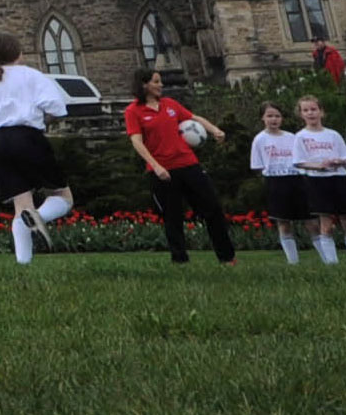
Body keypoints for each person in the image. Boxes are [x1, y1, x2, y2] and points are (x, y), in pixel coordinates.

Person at [120, 68, 233, 266]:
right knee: (173, 217)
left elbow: (194, 118)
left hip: (188, 165)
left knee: (213, 208)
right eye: (156, 81)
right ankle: (180, 260)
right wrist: (156, 166)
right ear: (144, 84)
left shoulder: (170, 105)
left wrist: (215, 130)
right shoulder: (133, 111)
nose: (161, 85)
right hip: (163, 171)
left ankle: (227, 257)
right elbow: (137, 142)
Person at [0, 36, 73, 266]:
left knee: (21, 205)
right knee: (63, 197)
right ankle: (38, 217)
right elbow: (58, 107)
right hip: (26, 137)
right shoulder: (31, 75)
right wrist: (42, 121)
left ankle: (24, 263)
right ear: (19, 53)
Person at [291, 95, 346, 264]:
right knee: (325, 222)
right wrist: (319, 166)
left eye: (314, 109)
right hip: (317, 181)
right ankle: (331, 262)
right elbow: (299, 162)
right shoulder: (300, 136)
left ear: (321, 112)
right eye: (306, 110)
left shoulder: (333, 135)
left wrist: (338, 161)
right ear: (301, 114)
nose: (311, 113)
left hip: (338, 178)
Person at [249, 102, 305, 264]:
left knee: (311, 222)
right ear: (263, 118)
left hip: (295, 180)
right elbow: (258, 166)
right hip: (275, 182)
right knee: (283, 222)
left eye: (277, 116)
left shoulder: (292, 137)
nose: (274, 119)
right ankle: (293, 261)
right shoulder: (260, 139)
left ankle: (327, 260)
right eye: (270, 116)